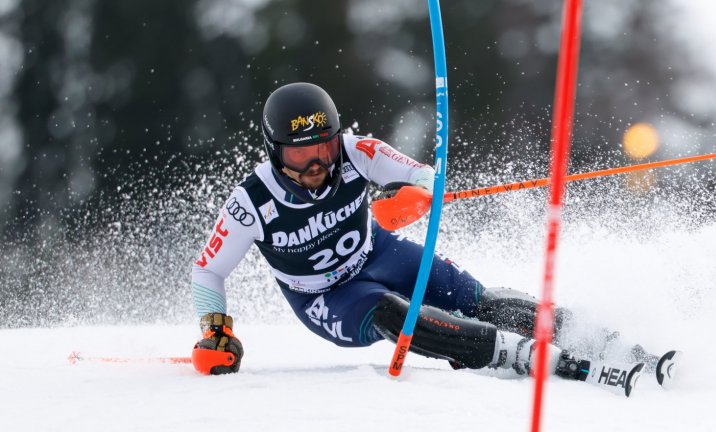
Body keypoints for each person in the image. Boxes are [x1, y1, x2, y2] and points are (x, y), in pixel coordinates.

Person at [189, 82, 666, 383]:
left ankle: (604, 341)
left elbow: (424, 176)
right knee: (394, 313)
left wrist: (413, 194)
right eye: (300, 154)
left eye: (325, 146)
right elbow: (208, 272)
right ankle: (510, 354)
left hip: (379, 254)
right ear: (275, 152)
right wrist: (216, 331)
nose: (318, 162)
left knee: (477, 298)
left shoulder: (356, 151)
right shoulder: (250, 201)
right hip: (326, 298)